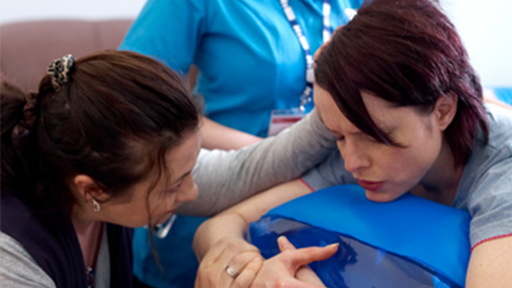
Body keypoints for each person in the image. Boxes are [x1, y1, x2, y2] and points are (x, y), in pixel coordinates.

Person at [193, 0, 512, 287]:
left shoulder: (503, 169)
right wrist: (253, 266)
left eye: (375, 137)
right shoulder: (356, 156)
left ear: (443, 110)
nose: (351, 162)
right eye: (338, 136)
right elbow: (221, 225)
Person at [0, 50, 341, 288]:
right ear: (92, 190)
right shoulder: (11, 261)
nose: (193, 193)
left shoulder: (102, 175)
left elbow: (242, 172)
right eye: (175, 186)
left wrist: (334, 114)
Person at [120, 0, 362, 285]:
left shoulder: (354, 5)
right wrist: (266, 151)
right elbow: (132, 107)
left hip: (303, 214)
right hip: (206, 201)